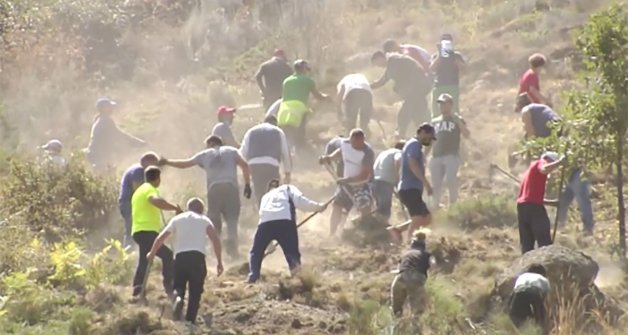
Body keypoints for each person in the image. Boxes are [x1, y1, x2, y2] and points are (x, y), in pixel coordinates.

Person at [160, 135, 252, 258]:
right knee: (232, 220)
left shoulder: (205, 154)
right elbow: (245, 165)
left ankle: (214, 252)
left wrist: (167, 161)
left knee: (214, 220)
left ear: (209, 144)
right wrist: (247, 184)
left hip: (214, 189)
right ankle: (233, 250)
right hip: (231, 188)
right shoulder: (232, 151)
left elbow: (185, 163)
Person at [147, 198, 223, 324]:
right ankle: (190, 321)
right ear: (201, 210)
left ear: (188, 208)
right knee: (195, 291)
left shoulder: (177, 219)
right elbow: (215, 239)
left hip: (180, 259)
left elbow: (161, 237)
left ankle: (178, 297)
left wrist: (152, 252)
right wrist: (219, 261)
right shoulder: (204, 220)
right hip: (197, 259)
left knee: (178, 285)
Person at [247, 179, 328, 283]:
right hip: (285, 222)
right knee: (292, 253)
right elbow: (300, 201)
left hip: (265, 225)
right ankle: (298, 278)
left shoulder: (265, 197)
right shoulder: (287, 188)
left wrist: (269, 245)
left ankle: (253, 275)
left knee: (256, 252)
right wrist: (318, 207)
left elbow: (264, 216)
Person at [130, 166, 182, 299]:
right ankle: (168, 286)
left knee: (144, 260)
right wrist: (174, 208)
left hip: (138, 230)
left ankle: (137, 288)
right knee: (168, 256)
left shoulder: (138, 191)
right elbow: (155, 201)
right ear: (158, 179)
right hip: (147, 231)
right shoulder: (149, 189)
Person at [319, 129, 375, 235]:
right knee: (337, 207)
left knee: (365, 209)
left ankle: (365, 234)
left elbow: (365, 174)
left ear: (362, 140)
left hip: (361, 185)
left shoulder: (367, 152)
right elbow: (341, 152)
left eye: (357, 143)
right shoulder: (345, 144)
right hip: (345, 185)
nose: (354, 145)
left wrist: (347, 180)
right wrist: (328, 158)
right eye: (352, 142)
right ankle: (332, 234)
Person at [388, 124, 437, 242]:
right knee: (418, 218)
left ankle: (398, 230)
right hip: (409, 188)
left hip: (410, 188)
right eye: (429, 137)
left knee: (427, 218)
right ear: (423, 132)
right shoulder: (414, 145)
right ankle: (410, 242)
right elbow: (413, 164)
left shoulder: (414, 145)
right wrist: (426, 183)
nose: (429, 140)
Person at [371, 51, 432, 138]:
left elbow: (391, 78)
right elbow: (382, 81)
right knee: (418, 116)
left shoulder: (393, 60)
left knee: (404, 116)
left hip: (417, 90)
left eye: (377, 63)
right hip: (418, 91)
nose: (379, 66)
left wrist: (394, 95)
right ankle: (424, 138)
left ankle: (401, 137)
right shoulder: (392, 62)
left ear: (380, 58)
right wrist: (369, 86)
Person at [517, 152, 564, 254]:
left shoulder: (530, 171)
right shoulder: (540, 162)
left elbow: (530, 197)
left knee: (527, 245)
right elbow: (544, 169)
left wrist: (552, 203)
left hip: (523, 208)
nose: (553, 170)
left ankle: (527, 267)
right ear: (549, 160)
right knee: (545, 241)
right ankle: (549, 265)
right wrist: (559, 162)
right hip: (534, 208)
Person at [240, 115, 292, 206]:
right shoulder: (278, 131)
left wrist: (243, 171)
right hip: (271, 165)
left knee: (260, 193)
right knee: (273, 193)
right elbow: (285, 153)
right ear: (275, 123)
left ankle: (263, 215)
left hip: (254, 166)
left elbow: (242, 153)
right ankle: (274, 215)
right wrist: (287, 173)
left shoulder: (251, 131)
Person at [429, 94, 470, 207]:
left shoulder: (457, 119)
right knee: (436, 183)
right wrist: (424, 154)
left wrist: (457, 121)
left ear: (450, 104)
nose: (441, 106)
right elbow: (430, 140)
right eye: (440, 104)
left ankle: (453, 206)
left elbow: (467, 134)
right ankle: (435, 206)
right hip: (436, 156)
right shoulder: (434, 122)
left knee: (450, 180)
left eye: (444, 103)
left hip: (451, 155)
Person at [278, 59, 328, 150]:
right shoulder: (308, 80)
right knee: (300, 137)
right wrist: (327, 98)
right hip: (298, 110)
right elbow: (318, 96)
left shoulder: (286, 81)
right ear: (304, 69)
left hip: (284, 110)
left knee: (285, 136)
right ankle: (302, 156)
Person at [85, 98, 146, 170]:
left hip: (96, 154)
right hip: (99, 156)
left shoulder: (100, 120)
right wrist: (140, 143)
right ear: (104, 109)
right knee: (105, 176)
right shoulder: (106, 121)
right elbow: (120, 135)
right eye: (110, 107)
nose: (112, 109)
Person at [118, 152, 159, 248]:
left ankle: (133, 250)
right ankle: (129, 250)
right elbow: (137, 189)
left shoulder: (138, 169)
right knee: (132, 226)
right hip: (128, 203)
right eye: (154, 164)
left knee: (135, 227)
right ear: (147, 162)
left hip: (129, 202)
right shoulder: (139, 171)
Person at [391, 229, 431, 320]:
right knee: (417, 313)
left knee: (396, 312)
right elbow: (433, 268)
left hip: (399, 278)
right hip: (415, 278)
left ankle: (396, 330)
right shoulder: (426, 255)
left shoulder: (406, 254)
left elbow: (400, 269)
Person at [430, 34, 466, 117]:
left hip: (452, 85)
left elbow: (464, 69)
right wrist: (440, 54)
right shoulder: (436, 56)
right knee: (436, 110)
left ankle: (454, 128)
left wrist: (452, 56)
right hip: (439, 85)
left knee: (453, 111)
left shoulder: (456, 55)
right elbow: (432, 69)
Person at [509, 264, 550, 333]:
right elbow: (546, 299)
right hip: (535, 296)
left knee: (518, 322)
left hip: (519, 296)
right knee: (541, 324)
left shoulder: (522, 277)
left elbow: (513, 294)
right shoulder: (544, 280)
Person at [372, 141, 405, 224]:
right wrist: (398, 179)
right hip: (385, 182)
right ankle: (381, 228)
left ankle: (376, 225)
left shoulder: (384, 153)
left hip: (374, 181)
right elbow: (398, 160)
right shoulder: (399, 152)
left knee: (380, 206)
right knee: (385, 209)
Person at [557, 167, 594, 235]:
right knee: (563, 201)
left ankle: (588, 229)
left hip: (579, 173)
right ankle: (560, 226)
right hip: (570, 174)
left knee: (583, 202)